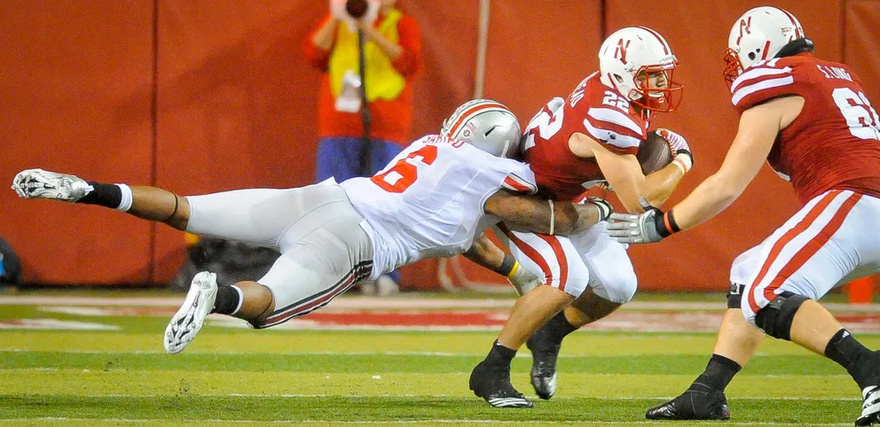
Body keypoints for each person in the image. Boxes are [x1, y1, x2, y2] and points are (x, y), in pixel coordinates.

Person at [11, 99, 611, 357]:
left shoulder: (433, 148)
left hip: (318, 198)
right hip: (351, 242)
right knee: (267, 307)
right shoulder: (493, 176)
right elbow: (539, 217)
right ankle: (216, 292)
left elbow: (472, 236)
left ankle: (87, 189)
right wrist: (598, 210)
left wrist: (512, 271)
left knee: (184, 207)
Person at [607, 7, 880, 425]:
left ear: (757, 50)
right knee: (747, 272)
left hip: (854, 199)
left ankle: (870, 371)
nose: (738, 69)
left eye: (739, 58)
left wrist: (662, 224)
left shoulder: (774, 84)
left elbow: (727, 185)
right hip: (864, 202)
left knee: (765, 293)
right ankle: (707, 392)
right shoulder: (835, 75)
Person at [467, 27, 696, 408]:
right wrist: (683, 161)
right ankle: (493, 368)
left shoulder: (615, 94)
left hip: (571, 199)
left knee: (620, 285)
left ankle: (550, 334)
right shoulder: (611, 116)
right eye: (651, 74)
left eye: (662, 73)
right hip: (529, 201)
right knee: (567, 278)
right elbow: (640, 200)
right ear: (623, 75)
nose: (661, 83)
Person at [303, 0, 422, 294]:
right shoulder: (338, 21)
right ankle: (334, 273)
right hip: (339, 126)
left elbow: (409, 63)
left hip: (386, 127)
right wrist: (338, 16)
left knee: (386, 202)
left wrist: (372, 33)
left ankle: (386, 274)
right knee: (332, 200)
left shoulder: (402, 24)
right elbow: (313, 54)